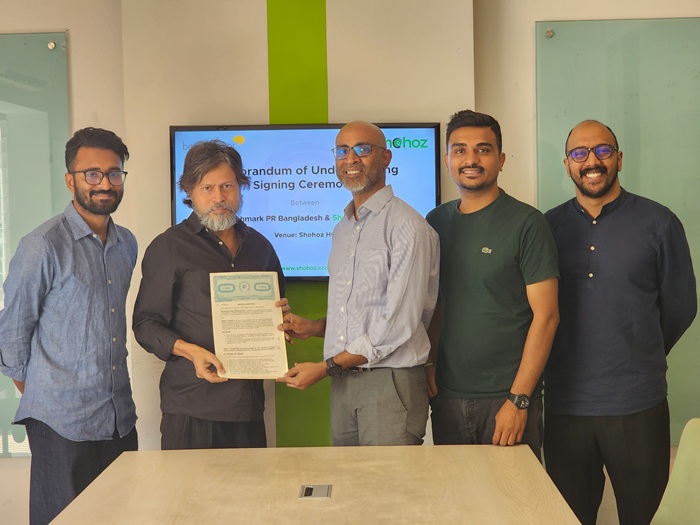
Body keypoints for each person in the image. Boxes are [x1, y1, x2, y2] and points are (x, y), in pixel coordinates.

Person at [543, 119, 697, 525]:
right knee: (567, 518)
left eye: (603, 151)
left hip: (638, 404)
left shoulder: (659, 222)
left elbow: (681, 307)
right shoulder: (546, 227)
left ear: (619, 159)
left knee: (643, 517)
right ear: (567, 164)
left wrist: (636, 348)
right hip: (564, 405)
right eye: (580, 153)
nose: (592, 161)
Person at [0, 127, 138, 525]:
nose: (105, 183)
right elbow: (12, 333)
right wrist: (46, 392)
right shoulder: (42, 245)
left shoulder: (127, 243)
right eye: (92, 174)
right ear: (70, 180)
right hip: (60, 423)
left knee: (121, 517)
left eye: (114, 173)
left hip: (118, 418)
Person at [277, 121, 440, 446]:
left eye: (363, 149)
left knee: (386, 479)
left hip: (390, 382)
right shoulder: (342, 230)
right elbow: (361, 313)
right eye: (342, 151)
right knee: (348, 477)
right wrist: (314, 327)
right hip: (345, 382)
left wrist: (324, 368)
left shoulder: (407, 226)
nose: (350, 159)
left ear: (386, 157)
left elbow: (397, 325)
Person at [133, 140, 287, 450]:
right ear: (189, 191)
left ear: (240, 187)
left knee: (250, 484)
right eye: (207, 188)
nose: (219, 197)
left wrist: (282, 323)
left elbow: (277, 312)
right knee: (188, 485)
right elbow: (145, 324)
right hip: (192, 407)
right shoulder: (169, 247)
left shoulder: (260, 247)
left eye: (227, 186)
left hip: (247, 408)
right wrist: (190, 351)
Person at [425, 110, 559, 457]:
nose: (471, 159)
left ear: (500, 159)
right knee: (454, 492)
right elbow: (434, 304)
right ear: (447, 160)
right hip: (447, 397)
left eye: (482, 150)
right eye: (460, 150)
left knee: (512, 493)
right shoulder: (435, 222)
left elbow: (547, 317)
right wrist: (428, 364)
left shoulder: (527, 223)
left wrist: (519, 399)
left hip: (507, 399)